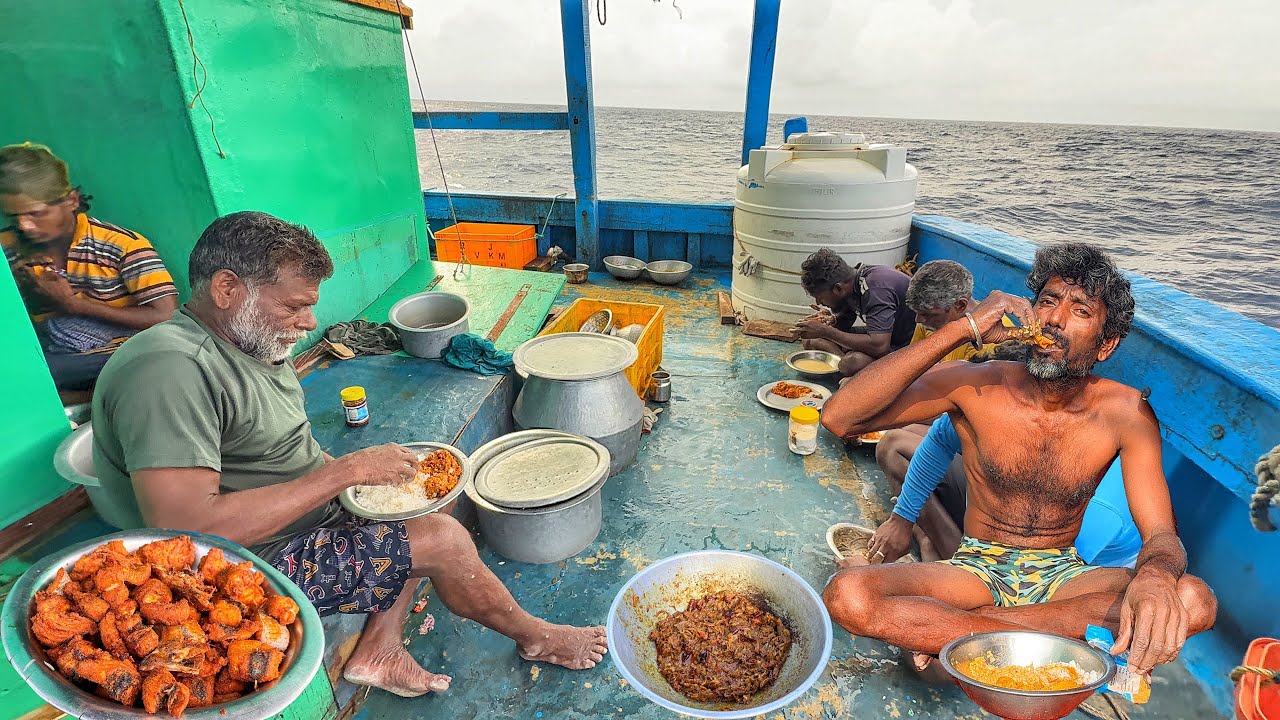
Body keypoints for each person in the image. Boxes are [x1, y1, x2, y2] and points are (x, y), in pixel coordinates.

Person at [92, 211, 607, 698]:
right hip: (238, 567)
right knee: (444, 540)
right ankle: (536, 636)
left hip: (300, 508)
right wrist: (346, 473)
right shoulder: (170, 371)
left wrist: (350, 479)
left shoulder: (243, 338)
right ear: (227, 289)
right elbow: (186, 529)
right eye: (294, 306)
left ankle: (379, 649)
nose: (309, 321)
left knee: (429, 483)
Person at [819, 241, 1216, 674]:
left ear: (1106, 345)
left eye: (1081, 311)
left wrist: (1156, 576)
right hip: (976, 567)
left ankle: (975, 630)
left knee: (1194, 599)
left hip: (1063, 573)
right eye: (1047, 301)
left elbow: (1161, 534)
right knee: (849, 594)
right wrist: (961, 329)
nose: (1056, 319)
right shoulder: (979, 382)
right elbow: (840, 417)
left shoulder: (1126, 412)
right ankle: (1002, 633)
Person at [0, 143, 178, 393]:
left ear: (71, 200)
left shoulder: (121, 245)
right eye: (12, 217)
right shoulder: (7, 248)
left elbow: (166, 316)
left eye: (36, 214)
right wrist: (13, 288)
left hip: (120, 351)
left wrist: (74, 305)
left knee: (29, 375)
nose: (24, 226)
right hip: (51, 349)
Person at [870, 413, 1143, 568]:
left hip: (1072, 565)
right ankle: (930, 538)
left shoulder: (1096, 507)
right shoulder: (1013, 415)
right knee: (894, 444)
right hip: (1027, 498)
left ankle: (945, 554)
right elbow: (941, 437)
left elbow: (1033, 587)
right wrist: (903, 518)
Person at [793, 249, 915, 377]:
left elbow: (879, 347)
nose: (818, 302)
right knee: (810, 340)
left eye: (820, 297)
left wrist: (825, 331)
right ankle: (841, 362)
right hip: (884, 338)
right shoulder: (851, 283)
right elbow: (846, 321)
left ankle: (844, 364)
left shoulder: (876, 289)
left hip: (905, 347)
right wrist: (831, 320)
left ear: (838, 288)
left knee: (853, 362)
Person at [905, 259, 999, 363]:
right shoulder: (928, 321)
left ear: (960, 305)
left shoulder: (988, 344)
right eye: (917, 313)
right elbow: (912, 362)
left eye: (926, 315)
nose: (917, 320)